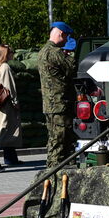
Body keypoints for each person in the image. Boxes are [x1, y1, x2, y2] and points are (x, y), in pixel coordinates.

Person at [38, 21, 77, 168]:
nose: (66, 40)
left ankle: (56, 171)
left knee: (55, 140)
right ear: (61, 34)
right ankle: (53, 173)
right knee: (60, 142)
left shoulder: (43, 51)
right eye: (66, 37)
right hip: (60, 105)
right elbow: (72, 68)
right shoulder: (55, 53)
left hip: (50, 105)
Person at [0, 45, 24, 166]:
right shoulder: (5, 67)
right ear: (6, 54)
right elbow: (9, 87)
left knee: (6, 131)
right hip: (6, 104)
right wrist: (15, 102)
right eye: (11, 52)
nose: (13, 54)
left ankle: (11, 159)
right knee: (5, 130)